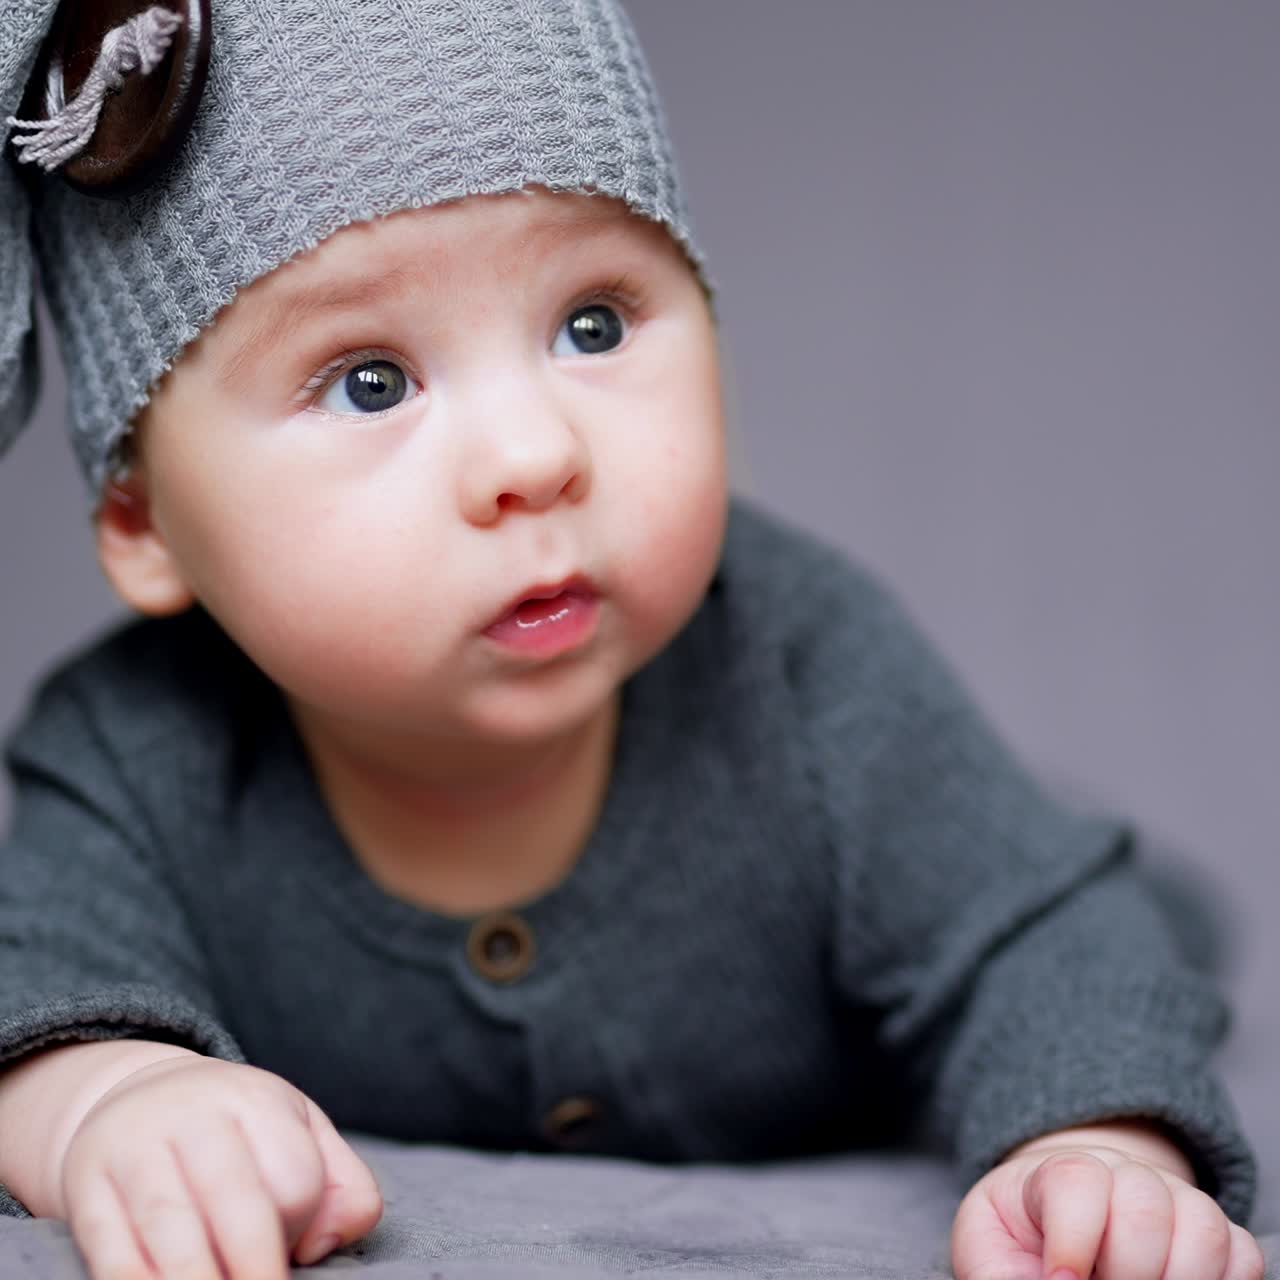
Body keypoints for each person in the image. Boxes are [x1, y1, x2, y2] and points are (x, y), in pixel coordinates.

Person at [0, 3, 1264, 1279]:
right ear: (143, 519)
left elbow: (1033, 936)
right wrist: (112, 1098)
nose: (537, 455)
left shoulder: (802, 665)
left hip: (965, 902)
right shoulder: (130, 758)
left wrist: (1100, 1146)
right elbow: (34, 995)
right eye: (370, 379)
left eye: (592, 323)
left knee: (1106, 919)